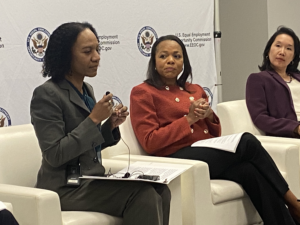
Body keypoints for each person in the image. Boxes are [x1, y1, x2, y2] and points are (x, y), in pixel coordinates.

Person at [130, 34, 300, 225]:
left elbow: (213, 136)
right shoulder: (143, 92)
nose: (171, 60)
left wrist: (209, 116)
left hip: (202, 153)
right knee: (246, 141)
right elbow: (150, 142)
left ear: (184, 61)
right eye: (163, 56)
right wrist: (189, 119)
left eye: (177, 56)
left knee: (248, 170)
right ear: (153, 61)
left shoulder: (193, 89)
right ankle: (293, 202)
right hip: (174, 158)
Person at [30, 22, 170, 225]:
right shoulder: (46, 94)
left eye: (97, 49)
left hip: (91, 180)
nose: (96, 57)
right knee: (142, 195)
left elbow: (86, 146)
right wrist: (94, 119)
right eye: (87, 51)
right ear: (66, 56)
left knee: (160, 189)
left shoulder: (86, 89)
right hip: (65, 187)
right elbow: (55, 154)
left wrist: (109, 127)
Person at [246, 26, 300, 138]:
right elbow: (260, 118)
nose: (282, 52)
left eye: (289, 48)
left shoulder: (298, 77)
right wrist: (295, 127)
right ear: (268, 50)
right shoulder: (258, 79)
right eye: (278, 46)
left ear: (294, 57)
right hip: (291, 135)